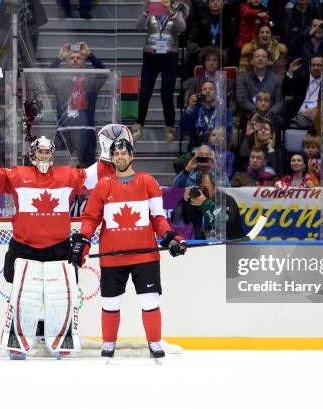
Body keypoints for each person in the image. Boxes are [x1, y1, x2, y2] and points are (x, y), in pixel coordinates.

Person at [0, 124, 128, 359]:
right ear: (32, 155)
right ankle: (17, 343)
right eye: (39, 152)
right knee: (23, 298)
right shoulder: (17, 176)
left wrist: (107, 156)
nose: (43, 156)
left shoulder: (67, 175)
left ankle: (62, 342)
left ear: (52, 155)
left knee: (61, 298)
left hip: (59, 247)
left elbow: (93, 177)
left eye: (47, 152)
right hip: (24, 247)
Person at [71, 138, 187, 360]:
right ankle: (108, 344)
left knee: (150, 300)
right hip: (112, 258)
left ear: (131, 156)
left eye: (124, 154)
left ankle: (154, 343)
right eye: (116, 155)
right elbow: (90, 219)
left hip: (145, 256)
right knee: (110, 303)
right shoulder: (102, 186)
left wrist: (171, 237)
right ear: (112, 158)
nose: (120, 158)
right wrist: (83, 240)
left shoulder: (148, 182)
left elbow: (158, 218)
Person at [132, 0, 187, 142]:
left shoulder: (177, 10)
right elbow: (138, 27)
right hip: (150, 55)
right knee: (144, 92)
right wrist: (145, 11)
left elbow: (181, 28)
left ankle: (170, 127)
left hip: (169, 56)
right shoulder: (151, 10)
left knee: (166, 94)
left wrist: (171, 12)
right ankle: (139, 124)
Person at [46, 41, 106, 167]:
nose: (75, 60)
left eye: (78, 58)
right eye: (71, 58)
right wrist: (59, 57)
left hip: (86, 130)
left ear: (83, 62)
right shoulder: (60, 82)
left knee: (88, 168)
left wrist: (90, 55)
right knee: (62, 169)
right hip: (64, 130)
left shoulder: (90, 82)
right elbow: (48, 78)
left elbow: (103, 74)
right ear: (66, 62)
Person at [172, 171, 243, 240]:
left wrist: (205, 203)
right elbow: (176, 219)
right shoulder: (196, 201)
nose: (202, 192)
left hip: (229, 246)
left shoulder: (227, 200)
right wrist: (185, 201)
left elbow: (225, 223)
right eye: (200, 189)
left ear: (215, 187)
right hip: (203, 246)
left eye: (205, 189)